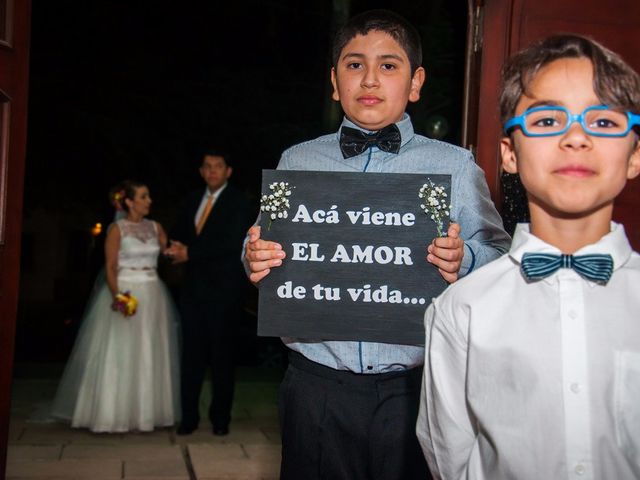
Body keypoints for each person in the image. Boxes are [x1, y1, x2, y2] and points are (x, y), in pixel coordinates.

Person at [244, 9, 510, 480]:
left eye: (388, 65)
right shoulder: (297, 160)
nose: (369, 79)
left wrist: (464, 258)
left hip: (417, 387)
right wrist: (253, 256)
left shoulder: (455, 166)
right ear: (334, 80)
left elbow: (501, 260)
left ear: (415, 82)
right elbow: (264, 249)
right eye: (354, 64)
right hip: (315, 384)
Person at [416, 34, 640, 479]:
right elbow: (450, 462)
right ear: (509, 154)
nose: (576, 137)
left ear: (634, 155)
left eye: (604, 121)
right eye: (546, 120)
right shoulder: (460, 310)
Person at [51, 180, 180, 433]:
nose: (149, 201)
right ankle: (111, 414)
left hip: (153, 293)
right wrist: (118, 296)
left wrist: (177, 252)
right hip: (126, 290)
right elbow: (110, 267)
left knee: (147, 352)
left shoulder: (156, 227)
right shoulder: (116, 229)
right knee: (119, 352)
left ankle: (145, 414)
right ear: (129, 202)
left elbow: (167, 253)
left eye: (149, 196)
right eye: (143, 196)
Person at [166, 150, 253, 436]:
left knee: (222, 359)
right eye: (207, 167)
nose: (212, 171)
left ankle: (220, 420)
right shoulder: (191, 200)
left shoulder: (240, 202)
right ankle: (188, 418)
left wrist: (190, 252)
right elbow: (179, 233)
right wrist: (174, 249)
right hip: (192, 291)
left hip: (225, 293)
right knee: (190, 357)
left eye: (218, 166)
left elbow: (231, 243)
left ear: (228, 171)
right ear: (201, 171)